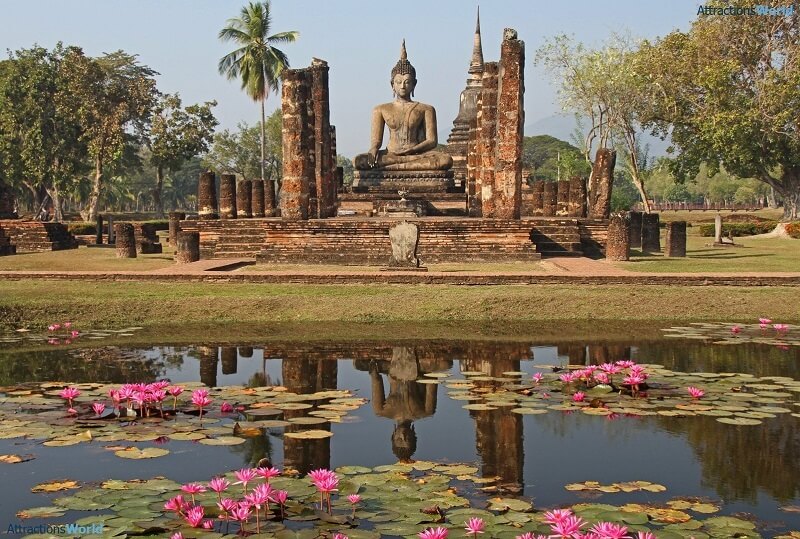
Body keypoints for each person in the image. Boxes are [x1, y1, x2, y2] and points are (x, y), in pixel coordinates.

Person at [354, 41, 452, 172]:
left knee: (445, 160)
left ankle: (393, 168)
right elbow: (376, 141)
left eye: (407, 82)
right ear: (392, 84)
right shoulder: (381, 109)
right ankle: (400, 166)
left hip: (415, 155)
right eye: (398, 82)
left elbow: (432, 141)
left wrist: (412, 150)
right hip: (391, 154)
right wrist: (373, 149)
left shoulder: (426, 109)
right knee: (358, 161)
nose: (402, 86)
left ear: (414, 84)